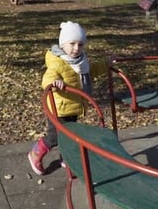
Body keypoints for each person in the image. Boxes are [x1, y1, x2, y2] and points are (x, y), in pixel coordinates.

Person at [28, 21, 110, 175]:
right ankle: (35, 154)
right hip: (58, 109)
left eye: (80, 44)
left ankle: (65, 158)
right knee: (55, 137)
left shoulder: (81, 62)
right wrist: (54, 82)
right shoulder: (57, 63)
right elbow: (47, 79)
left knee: (70, 134)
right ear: (62, 44)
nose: (76, 48)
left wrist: (106, 64)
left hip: (73, 106)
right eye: (72, 43)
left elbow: (92, 70)